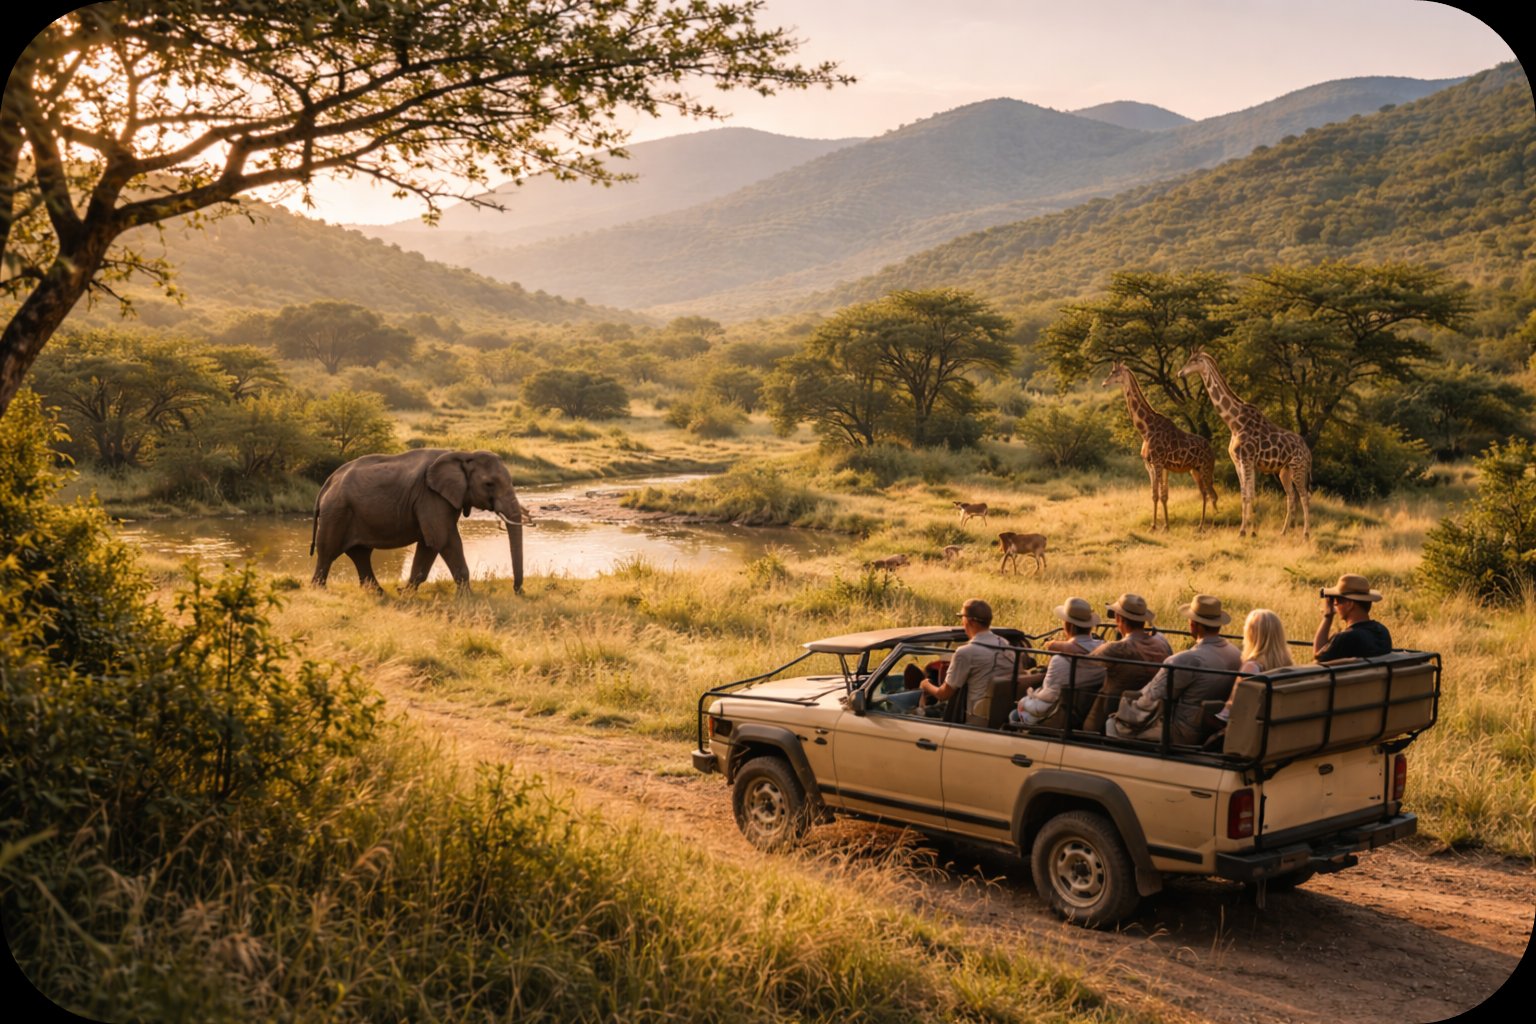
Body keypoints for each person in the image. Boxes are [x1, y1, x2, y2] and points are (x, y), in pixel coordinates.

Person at [1108, 594, 1241, 745]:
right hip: (1209, 729)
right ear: (1218, 623)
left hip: (1181, 732)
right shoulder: (1236, 653)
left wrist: (1125, 707)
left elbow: (1149, 700)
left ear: (1193, 624)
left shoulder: (1185, 660)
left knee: (1112, 724)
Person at [1082, 593, 1172, 733]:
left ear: (1118, 618)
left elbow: (1084, 663)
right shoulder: (1161, 642)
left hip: (1110, 713)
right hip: (1149, 712)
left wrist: (1067, 646)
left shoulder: (1117, 648)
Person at [920, 598, 1015, 725]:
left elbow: (943, 694)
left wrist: (925, 685)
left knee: (920, 712)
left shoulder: (965, 652)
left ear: (969, 621)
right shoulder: (1005, 644)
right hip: (1002, 716)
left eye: (962, 618)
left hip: (974, 720)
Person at [1012, 596, 1105, 726]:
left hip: (1061, 717)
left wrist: (1025, 701)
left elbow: (1047, 699)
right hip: (1084, 712)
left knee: (1014, 714)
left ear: (1068, 625)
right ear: (1090, 626)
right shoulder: (1104, 651)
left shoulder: (1061, 660)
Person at [1215, 608, 1295, 723]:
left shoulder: (1251, 667)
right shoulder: (1287, 665)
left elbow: (1231, 710)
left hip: (1245, 731)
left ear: (1251, 633)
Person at [1314, 573, 1393, 660]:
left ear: (1350, 604)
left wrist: (1327, 617)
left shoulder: (1345, 638)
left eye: (1338, 599)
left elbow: (1319, 660)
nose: (1335, 603)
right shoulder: (1382, 631)